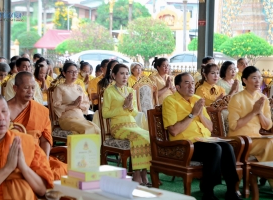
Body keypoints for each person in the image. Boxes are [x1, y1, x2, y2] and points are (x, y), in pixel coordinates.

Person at [163, 72, 241, 200]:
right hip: (185, 145)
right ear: (177, 87)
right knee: (215, 149)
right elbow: (174, 131)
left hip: (204, 141)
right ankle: (208, 192)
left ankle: (232, 190)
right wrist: (192, 114)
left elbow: (210, 128)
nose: (191, 86)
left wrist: (200, 115)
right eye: (187, 83)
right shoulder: (170, 101)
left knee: (227, 147)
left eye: (193, 83)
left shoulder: (197, 100)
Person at [0, 92, 54, 199]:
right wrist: (7, 168)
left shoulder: (25, 141)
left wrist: (24, 168)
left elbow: (43, 190)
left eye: (4, 111)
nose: (1, 117)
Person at [8, 72, 67, 180]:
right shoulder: (4, 110)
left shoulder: (41, 110)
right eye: (26, 88)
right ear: (15, 88)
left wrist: (44, 159)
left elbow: (45, 140)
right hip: (10, 156)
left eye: (33, 88)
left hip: (37, 155)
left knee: (61, 169)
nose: (30, 92)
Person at [102, 63, 151, 185]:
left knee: (149, 136)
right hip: (118, 127)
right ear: (114, 75)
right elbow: (105, 113)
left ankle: (144, 171)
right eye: (121, 73)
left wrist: (129, 107)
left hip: (132, 124)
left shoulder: (130, 91)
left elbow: (134, 113)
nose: (125, 76)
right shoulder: (109, 91)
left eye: (127, 73)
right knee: (139, 137)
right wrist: (123, 107)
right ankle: (137, 172)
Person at [228, 66, 273, 187]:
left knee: (270, 142)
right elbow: (233, 126)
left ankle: (266, 176)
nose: (258, 81)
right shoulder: (236, 98)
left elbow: (268, 126)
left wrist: (259, 112)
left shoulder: (263, 98)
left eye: (260, 78)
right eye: (254, 78)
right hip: (239, 140)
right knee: (270, 143)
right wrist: (253, 112)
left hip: (257, 139)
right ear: (244, 80)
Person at [53, 61, 100, 134]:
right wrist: (73, 105)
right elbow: (56, 106)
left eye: (76, 72)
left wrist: (79, 104)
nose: (74, 74)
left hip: (80, 118)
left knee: (97, 130)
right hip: (67, 119)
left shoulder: (79, 88)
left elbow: (86, 104)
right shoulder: (60, 88)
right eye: (71, 72)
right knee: (87, 129)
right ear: (64, 73)